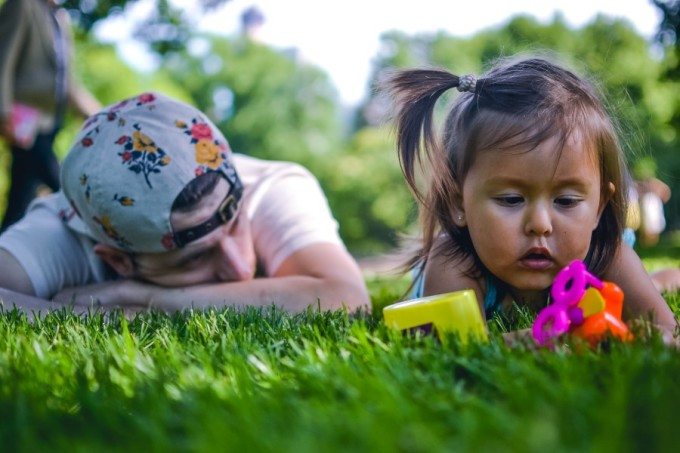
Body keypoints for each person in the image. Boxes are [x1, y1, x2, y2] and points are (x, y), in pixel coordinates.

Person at [385, 57, 677, 341]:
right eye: (511, 199)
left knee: (645, 287)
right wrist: (560, 336)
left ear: (599, 206)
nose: (540, 224)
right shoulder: (455, 262)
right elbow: (461, 351)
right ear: (458, 203)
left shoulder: (608, 255)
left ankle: (663, 279)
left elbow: (666, 331)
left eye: (566, 201)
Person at [0, 92, 369, 315]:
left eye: (236, 226)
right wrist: (92, 320)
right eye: (195, 257)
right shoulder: (58, 235)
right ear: (117, 260)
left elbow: (346, 299)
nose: (239, 268)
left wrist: (142, 299)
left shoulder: (272, 187)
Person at [0, 0, 100, 232]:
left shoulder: (61, 18)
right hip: (24, 124)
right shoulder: (22, 5)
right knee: (62, 187)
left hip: (51, 121)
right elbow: (3, 58)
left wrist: (105, 115)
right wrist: (3, 114)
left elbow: (67, 83)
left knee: (20, 202)